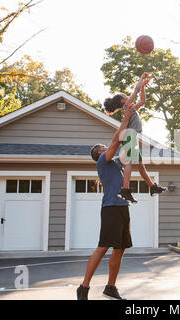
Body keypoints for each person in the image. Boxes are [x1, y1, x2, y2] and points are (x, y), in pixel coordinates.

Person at [75, 99, 136, 300]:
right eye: (103, 146)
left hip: (122, 207)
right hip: (110, 208)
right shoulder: (103, 160)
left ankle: (110, 287)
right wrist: (125, 118)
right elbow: (116, 140)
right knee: (103, 247)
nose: (105, 146)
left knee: (120, 249)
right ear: (99, 152)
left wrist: (132, 118)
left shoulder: (117, 163)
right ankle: (83, 287)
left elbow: (127, 150)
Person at [103, 73, 166, 202]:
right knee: (129, 162)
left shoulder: (131, 108)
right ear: (122, 100)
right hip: (129, 135)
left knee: (140, 165)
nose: (128, 96)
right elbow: (136, 91)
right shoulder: (127, 106)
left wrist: (143, 87)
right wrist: (141, 80)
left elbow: (142, 101)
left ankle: (152, 187)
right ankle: (125, 189)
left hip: (133, 136)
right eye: (126, 96)